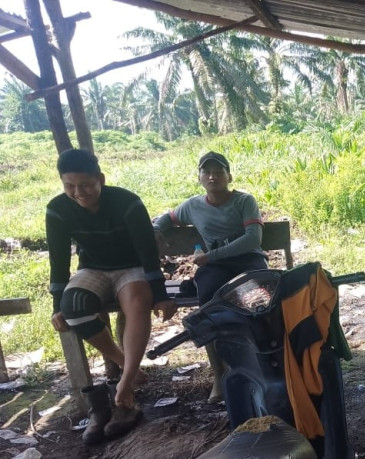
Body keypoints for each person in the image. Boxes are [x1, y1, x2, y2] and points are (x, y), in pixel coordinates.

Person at [47, 149, 176, 440]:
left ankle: (125, 385)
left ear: (101, 180)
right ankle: (123, 362)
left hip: (131, 267)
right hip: (93, 268)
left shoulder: (127, 202)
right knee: (73, 306)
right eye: (70, 186)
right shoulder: (57, 209)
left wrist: (160, 294)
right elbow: (58, 259)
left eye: (85, 185)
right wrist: (57, 305)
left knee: (138, 301)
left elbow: (147, 251)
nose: (78, 192)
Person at [153, 152, 267, 401]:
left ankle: (266, 362)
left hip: (248, 259)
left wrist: (212, 255)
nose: (212, 176)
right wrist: (156, 229)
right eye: (207, 172)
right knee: (207, 304)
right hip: (215, 266)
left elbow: (252, 239)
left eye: (218, 172)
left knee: (260, 301)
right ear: (200, 178)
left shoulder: (244, 201)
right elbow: (169, 218)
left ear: (229, 176)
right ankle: (219, 372)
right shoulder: (192, 206)